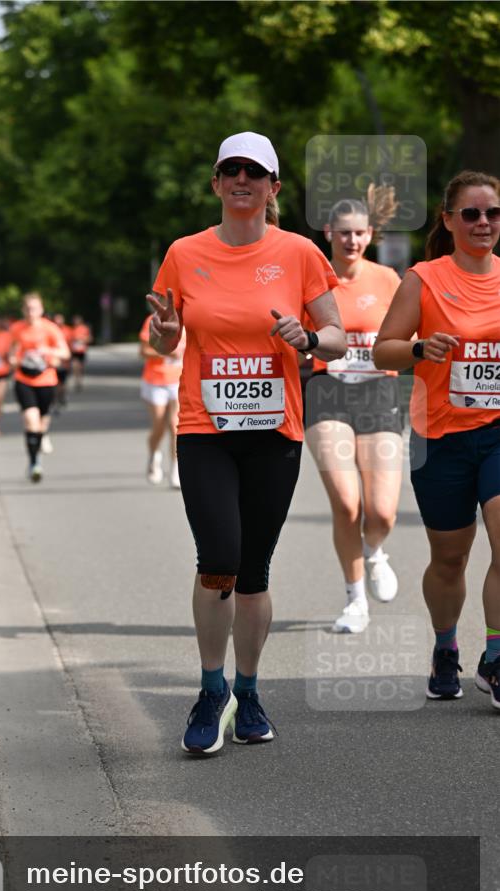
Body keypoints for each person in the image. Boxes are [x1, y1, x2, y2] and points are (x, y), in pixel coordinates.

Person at [147, 132, 345, 754]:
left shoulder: (299, 253)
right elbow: (161, 341)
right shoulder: (184, 252)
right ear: (215, 183)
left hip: (274, 432)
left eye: (253, 173)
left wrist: (307, 339)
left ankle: (249, 690)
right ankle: (211, 691)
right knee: (219, 561)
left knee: (254, 570)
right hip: (205, 430)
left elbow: (337, 335)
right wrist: (166, 332)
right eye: (229, 170)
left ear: (273, 188)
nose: (241, 180)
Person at [373, 169, 500, 708]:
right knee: (449, 559)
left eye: (493, 213)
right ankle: (446, 645)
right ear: (448, 221)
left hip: (497, 433)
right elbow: (384, 350)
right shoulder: (423, 279)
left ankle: (495, 657)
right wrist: (421, 349)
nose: (483, 222)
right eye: (470, 213)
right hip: (439, 437)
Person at [305, 187, 403, 633]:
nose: (352, 241)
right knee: (346, 503)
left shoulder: (388, 280)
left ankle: (376, 550)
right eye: (344, 233)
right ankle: (355, 599)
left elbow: (408, 337)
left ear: (370, 234)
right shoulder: (310, 280)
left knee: (381, 511)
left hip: (378, 393)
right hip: (327, 391)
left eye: (360, 233)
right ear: (328, 232)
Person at [9, 293, 70, 482]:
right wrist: (13, 359)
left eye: (34, 308)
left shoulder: (50, 329)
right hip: (24, 379)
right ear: (23, 310)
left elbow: (65, 352)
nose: (31, 312)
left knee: (42, 423)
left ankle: (41, 440)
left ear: (41, 310)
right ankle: (34, 462)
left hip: (46, 380)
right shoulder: (17, 329)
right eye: (27, 309)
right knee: (30, 419)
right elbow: (11, 352)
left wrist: (48, 351)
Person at [138, 311, 186, 488]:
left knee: (175, 426)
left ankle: (175, 470)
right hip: (155, 380)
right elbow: (143, 351)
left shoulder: (189, 318)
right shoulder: (153, 320)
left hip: (179, 380)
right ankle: (154, 454)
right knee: (159, 425)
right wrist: (165, 353)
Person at [68, 314, 92, 392]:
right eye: (75, 320)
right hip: (74, 351)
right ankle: (76, 381)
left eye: (77, 320)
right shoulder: (72, 329)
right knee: (75, 366)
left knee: (81, 367)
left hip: (81, 351)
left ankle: (80, 380)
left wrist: (82, 340)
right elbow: (69, 340)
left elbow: (89, 339)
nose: (76, 322)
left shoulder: (84, 328)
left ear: (80, 321)